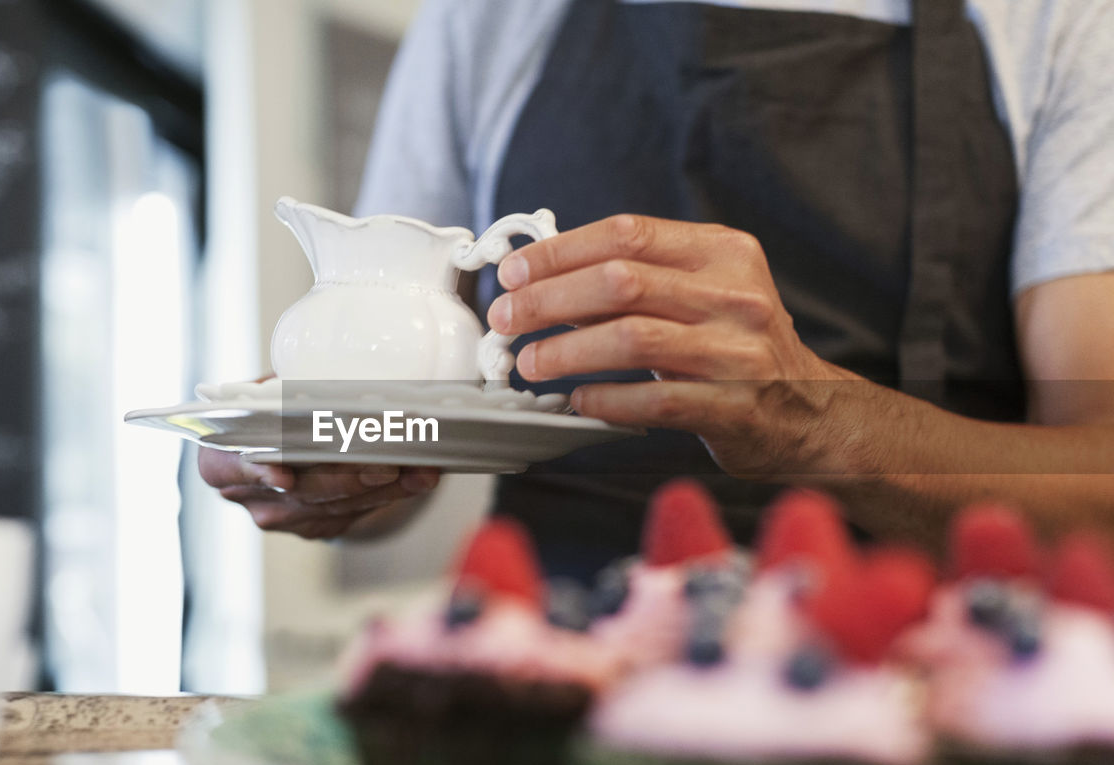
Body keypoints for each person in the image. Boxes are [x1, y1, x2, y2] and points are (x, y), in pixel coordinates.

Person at [199, 0, 1114, 577]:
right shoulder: (489, 17)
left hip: (932, 682)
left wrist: (825, 420)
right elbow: (399, 429)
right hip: (549, 676)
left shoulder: (1054, 21)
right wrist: (315, 464)